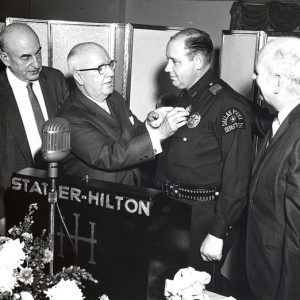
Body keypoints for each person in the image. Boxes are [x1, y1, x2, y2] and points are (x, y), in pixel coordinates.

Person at [155, 28, 254, 293]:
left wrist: (217, 233)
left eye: (175, 61)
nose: (167, 68)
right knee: (169, 286)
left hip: (203, 217)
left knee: (195, 289)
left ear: (198, 62)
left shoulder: (228, 107)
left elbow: (237, 178)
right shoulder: (187, 96)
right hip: (173, 210)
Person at [59, 42, 189, 186]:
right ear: (79, 76)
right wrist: (161, 133)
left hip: (128, 190)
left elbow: (133, 133)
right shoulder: (70, 117)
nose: (110, 72)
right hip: (99, 198)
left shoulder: (114, 97)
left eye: (109, 64)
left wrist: (153, 125)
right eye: (101, 68)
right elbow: (108, 156)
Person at [0, 23, 69, 234]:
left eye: (38, 53)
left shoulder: (55, 79)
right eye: (26, 57)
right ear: (5, 58)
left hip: (59, 194)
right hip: (13, 201)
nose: (36, 63)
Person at [247, 37, 300, 300]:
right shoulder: (283, 121)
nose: (253, 77)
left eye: (257, 72)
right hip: (265, 271)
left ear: (277, 80)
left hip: (281, 281)